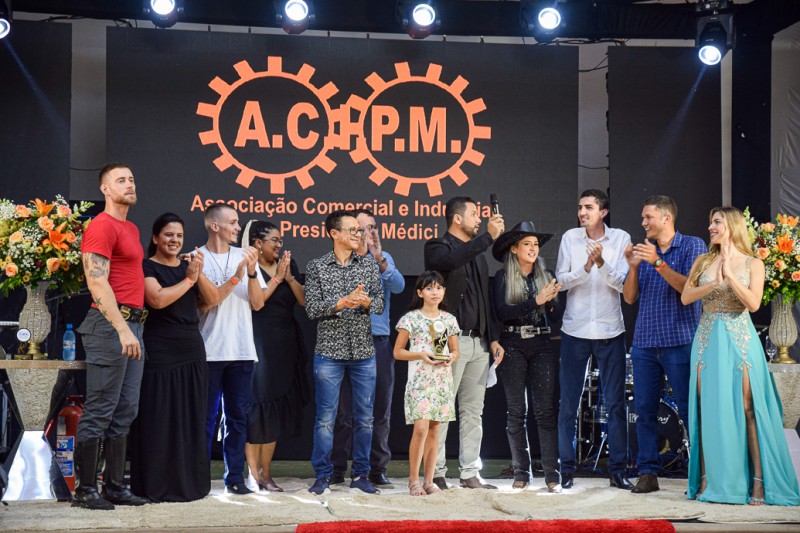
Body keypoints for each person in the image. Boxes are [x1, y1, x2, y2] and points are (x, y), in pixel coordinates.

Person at [682, 206, 800, 506]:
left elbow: (754, 303)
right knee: (706, 408)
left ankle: (758, 482)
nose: (711, 227)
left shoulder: (753, 263)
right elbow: (685, 297)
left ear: (732, 226)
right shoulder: (702, 261)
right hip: (707, 338)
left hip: (739, 340)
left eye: (717, 222)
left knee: (748, 408)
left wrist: (730, 277)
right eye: (710, 222)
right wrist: (712, 282)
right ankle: (707, 480)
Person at [74, 163, 149, 509]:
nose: (129, 184)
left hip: (134, 325)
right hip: (110, 327)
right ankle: (85, 490)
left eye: (131, 179)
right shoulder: (101, 225)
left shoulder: (130, 228)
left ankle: (115, 487)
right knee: (100, 410)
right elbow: (96, 280)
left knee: (125, 410)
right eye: (121, 180)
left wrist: (131, 329)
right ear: (105, 189)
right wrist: (121, 328)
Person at [130, 213, 218, 502]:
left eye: (179, 236)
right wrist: (189, 280)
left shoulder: (187, 268)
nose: (174, 240)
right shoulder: (147, 266)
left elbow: (212, 301)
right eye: (168, 235)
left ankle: (189, 483)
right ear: (156, 238)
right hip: (160, 349)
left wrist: (197, 272)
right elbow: (156, 299)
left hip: (191, 349)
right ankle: (156, 484)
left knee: (191, 416)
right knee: (160, 416)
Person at [622, 196, 705, 494]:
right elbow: (629, 297)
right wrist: (633, 267)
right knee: (644, 411)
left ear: (666, 218)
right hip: (645, 343)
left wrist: (657, 262)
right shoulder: (645, 251)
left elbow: (689, 288)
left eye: (648, 217)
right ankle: (647, 473)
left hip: (681, 341)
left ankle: (701, 472)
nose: (643, 222)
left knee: (690, 408)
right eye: (643, 217)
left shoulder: (693, 245)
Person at [424, 196, 505, 490]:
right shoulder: (437, 247)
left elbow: (485, 299)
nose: (479, 220)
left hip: (478, 340)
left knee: (473, 410)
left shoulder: (479, 256)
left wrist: (493, 338)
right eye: (474, 214)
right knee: (441, 408)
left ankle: (470, 472)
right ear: (457, 218)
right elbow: (450, 262)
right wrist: (487, 238)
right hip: (444, 337)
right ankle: (437, 472)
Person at [556, 189, 633, 490]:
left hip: (610, 330)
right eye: (580, 207)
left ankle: (618, 470)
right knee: (568, 404)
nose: (582, 213)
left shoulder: (621, 238)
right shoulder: (570, 238)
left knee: (615, 404)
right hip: (574, 330)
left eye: (589, 207)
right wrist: (586, 267)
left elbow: (623, 285)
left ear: (603, 212)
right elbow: (561, 282)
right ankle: (566, 470)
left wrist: (601, 263)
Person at [304, 210, 385, 496]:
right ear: (333, 233)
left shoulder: (368, 265)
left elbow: (379, 304)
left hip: (363, 352)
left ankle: (361, 475)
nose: (358, 234)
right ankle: (322, 476)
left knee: (365, 419)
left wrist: (365, 302)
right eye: (352, 230)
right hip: (329, 352)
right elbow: (311, 308)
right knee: (326, 419)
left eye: (359, 230)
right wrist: (341, 303)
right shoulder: (316, 267)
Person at [331, 208, 405, 489]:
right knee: (344, 412)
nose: (368, 233)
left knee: (380, 409)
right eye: (362, 228)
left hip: (378, 343)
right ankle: (338, 467)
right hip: (347, 342)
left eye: (372, 227)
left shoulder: (383, 258)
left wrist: (379, 259)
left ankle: (377, 468)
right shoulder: (340, 260)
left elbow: (398, 286)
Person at [198, 204, 266, 495]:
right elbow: (204, 304)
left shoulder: (245, 256)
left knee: (237, 419)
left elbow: (258, 303)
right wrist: (236, 275)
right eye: (233, 222)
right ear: (215, 226)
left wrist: (250, 272)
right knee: (205, 419)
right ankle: (199, 478)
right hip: (209, 351)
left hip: (241, 351)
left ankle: (235, 479)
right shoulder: (197, 257)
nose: (239, 228)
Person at [491, 221, 564, 493]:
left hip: (542, 343)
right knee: (516, 411)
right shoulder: (502, 277)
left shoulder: (546, 275)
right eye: (527, 244)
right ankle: (521, 472)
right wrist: (536, 301)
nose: (533, 249)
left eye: (535, 244)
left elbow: (556, 317)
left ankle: (552, 475)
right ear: (514, 249)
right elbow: (502, 312)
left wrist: (552, 301)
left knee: (545, 411)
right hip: (512, 343)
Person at [242, 220, 309, 493]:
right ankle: (251, 474)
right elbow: (257, 303)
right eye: (275, 240)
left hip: (286, 343)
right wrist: (277, 279)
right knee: (257, 406)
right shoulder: (248, 266)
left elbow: (303, 301)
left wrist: (289, 278)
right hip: (258, 341)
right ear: (258, 243)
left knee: (276, 409)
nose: (280, 245)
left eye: (281, 240)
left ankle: (266, 474)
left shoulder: (287, 266)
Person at [394, 271, 459, 496]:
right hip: (419, 380)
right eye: (429, 288)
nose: (435, 292)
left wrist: (450, 357)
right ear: (420, 293)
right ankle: (414, 480)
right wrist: (420, 355)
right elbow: (397, 352)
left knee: (434, 429)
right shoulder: (410, 318)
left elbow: (455, 350)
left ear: (444, 291)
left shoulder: (449, 319)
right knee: (420, 428)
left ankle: (429, 481)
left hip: (441, 380)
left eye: (439, 288)